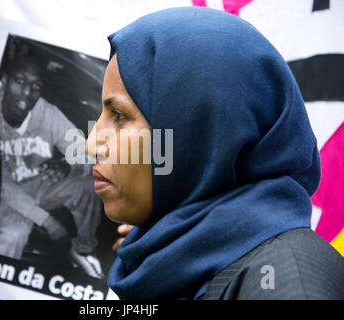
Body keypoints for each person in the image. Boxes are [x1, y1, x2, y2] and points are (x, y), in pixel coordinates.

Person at [86, 7, 344, 300]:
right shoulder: (169, 262)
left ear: (202, 131)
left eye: (119, 115)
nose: (91, 144)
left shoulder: (286, 284)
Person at [0, 41, 104, 279]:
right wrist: (48, 222)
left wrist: (66, 164)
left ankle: (83, 251)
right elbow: (2, 186)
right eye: (19, 82)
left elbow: (86, 153)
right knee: (11, 240)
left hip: (43, 186)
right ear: (5, 80)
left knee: (90, 187)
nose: (27, 93)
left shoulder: (46, 113)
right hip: (10, 197)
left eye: (36, 86)